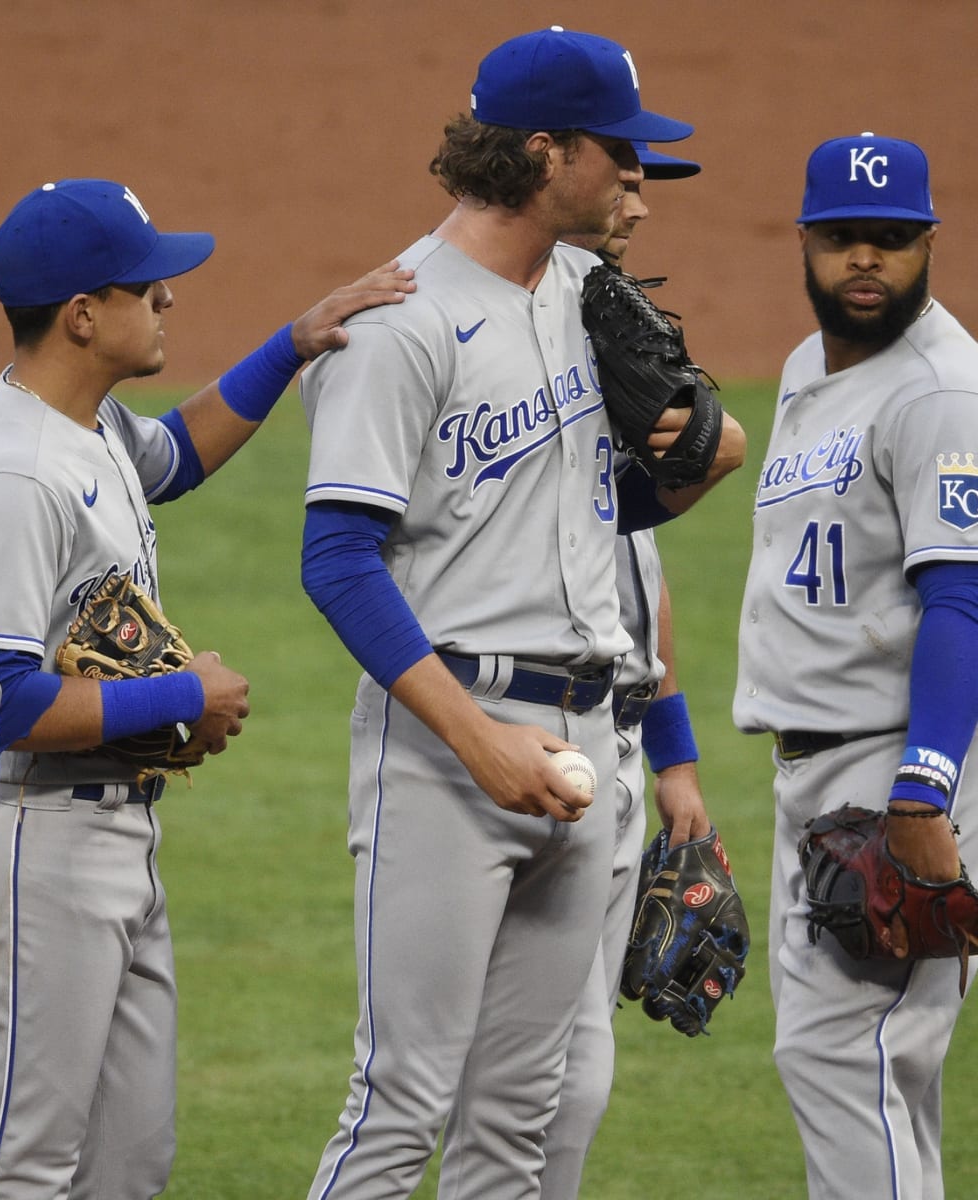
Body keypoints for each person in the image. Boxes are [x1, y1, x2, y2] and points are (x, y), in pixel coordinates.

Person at [298, 29, 743, 1199]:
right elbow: (338, 559)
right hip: (452, 746)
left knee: (517, 1122)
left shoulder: (589, 297)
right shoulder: (400, 325)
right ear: (548, 154)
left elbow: (612, 509)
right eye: (622, 152)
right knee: (398, 1107)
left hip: (593, 743)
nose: (636, 173)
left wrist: (702, 464)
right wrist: (474, 740)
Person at [0, 176, 416, 1200]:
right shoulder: (14, 478)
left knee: (126, 1170)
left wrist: (293, 342)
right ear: (83, 314)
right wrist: (177, 697)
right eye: (150, 286)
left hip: (111, 843)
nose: (171, 301)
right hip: (33, 850)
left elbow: (179, 455)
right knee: (23, 1171)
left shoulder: (87, 426)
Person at [734, 132, 978, 1200]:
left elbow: (963, 598)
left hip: (894, 772)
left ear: (929, 243)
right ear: (806, 242)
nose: (866, 262)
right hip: (818, 772)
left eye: (891, 240)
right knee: (885, 1071)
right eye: (843, 240)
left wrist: (924, 788)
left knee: (844, 1058)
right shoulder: (802, 369)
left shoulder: (941, 394)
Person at [534, 142, 717, 1199]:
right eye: (631, 184)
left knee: (583, 1070)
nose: (640, 211)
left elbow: (635, 569)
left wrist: (676, 756)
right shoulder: (523, 358)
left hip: (619, 736)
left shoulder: (612, 336)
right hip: (528, 736)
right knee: (515, 1072)